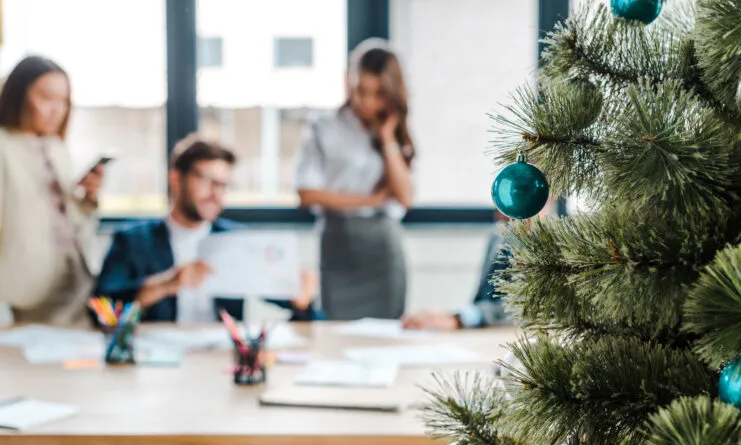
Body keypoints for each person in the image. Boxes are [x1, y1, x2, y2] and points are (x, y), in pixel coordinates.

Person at [0, 56, 103, 445]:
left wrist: (86, 201)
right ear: (18, 95)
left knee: (77, 422)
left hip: (73, 296)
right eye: (46, 97)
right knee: (24, 423)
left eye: (64, 100)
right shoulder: (3, 148)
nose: (56, 109)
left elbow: (65, 227)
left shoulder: (58, 150)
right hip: (23, 304)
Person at [94, 136, 320, 323]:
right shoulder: (133, 240)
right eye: (207, 181)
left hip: (217, 361)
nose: (216, 193)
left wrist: (302, 299)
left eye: (223, 185)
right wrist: (164, 284)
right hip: (154, 364)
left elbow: (306, 312)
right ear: (175, 178)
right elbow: (100, 310)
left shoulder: (235, 240)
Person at [295, 39, 415, 320]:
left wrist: (387, 139)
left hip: (382, 247)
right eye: (360, 90)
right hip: (338, 243)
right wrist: (370, 199)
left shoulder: (396, 132)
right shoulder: (323, 126)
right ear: (349, 81)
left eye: (378, 94)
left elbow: (406, 197)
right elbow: (308, 194)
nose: (367, 102)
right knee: (336, 333)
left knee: (385, 335)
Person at [401, 207, 553, 331]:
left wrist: (459, 319)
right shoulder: (498, 238)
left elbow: (524, 310)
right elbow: (484, 301)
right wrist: (451, 317)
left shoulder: (550, 246)